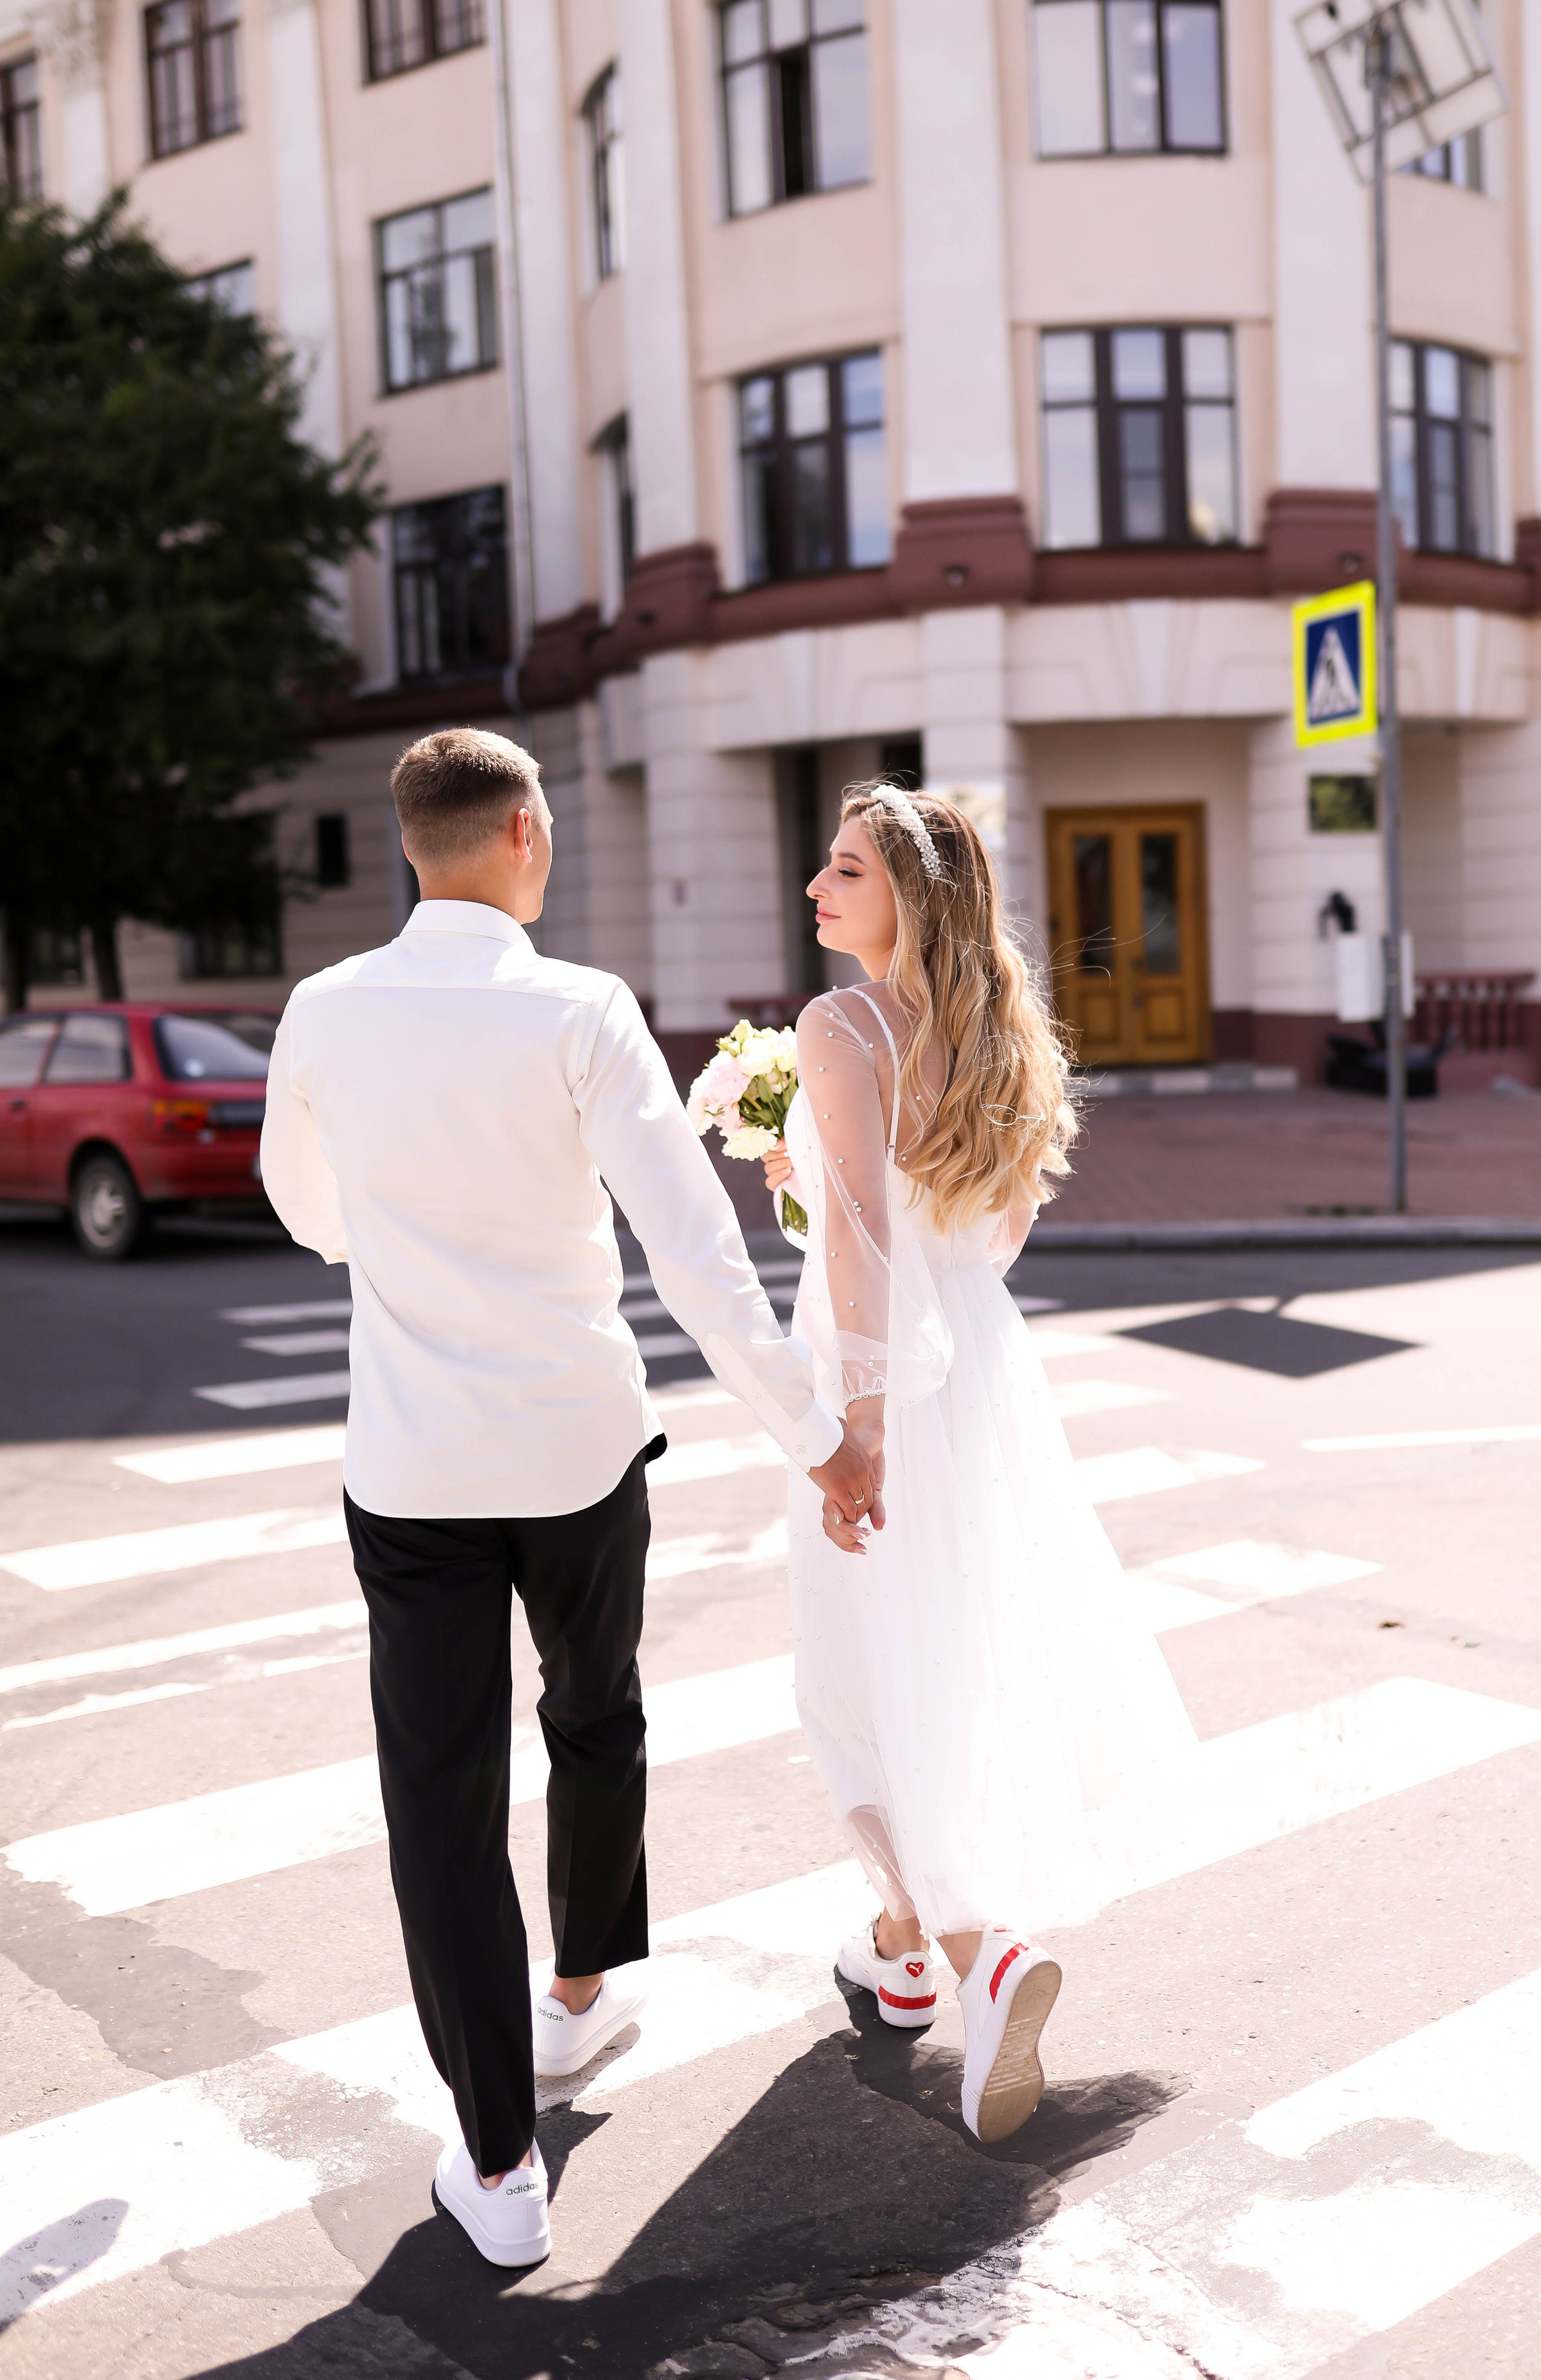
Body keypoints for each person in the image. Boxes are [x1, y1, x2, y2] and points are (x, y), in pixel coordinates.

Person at [260, 727, 880, 2271]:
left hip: (410, 1469)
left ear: (413, 846)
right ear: (526, 832)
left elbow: (305, 1211)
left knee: (441, 1801)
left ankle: (496, 2164)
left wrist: (392, 1233)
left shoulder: (324, 1013)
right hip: (579, 1454)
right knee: (594, 1710)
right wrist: (815, 1433)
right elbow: (691, 1252)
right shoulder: (582, 1010)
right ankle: (584, 1999)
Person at [760, 784, 1200, 2144]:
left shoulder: (839, 1026)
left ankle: (979, 1962)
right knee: (944, 1658)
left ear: (907, 896)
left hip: (882, 1372)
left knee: (856, 1684)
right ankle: (893, 1946)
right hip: (986, 1365)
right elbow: (989, 1232)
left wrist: (860, 1422)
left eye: (844, 870)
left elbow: (850, 1238)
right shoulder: (999, 1031)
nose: (816, 889)